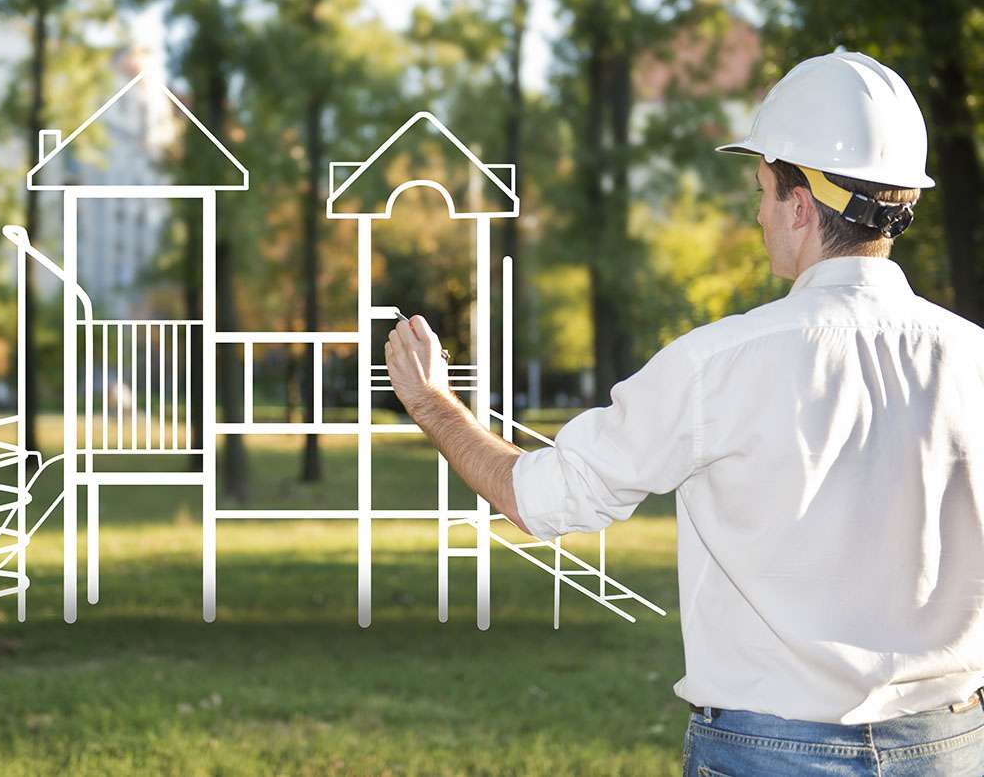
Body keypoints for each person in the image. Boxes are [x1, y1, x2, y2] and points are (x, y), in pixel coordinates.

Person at [383, 50, 984, 775]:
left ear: (799, 205)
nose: (757, 212)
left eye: (762, 191)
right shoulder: (972, 357)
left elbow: (538, 499)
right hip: (949, 749)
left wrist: (430, 401)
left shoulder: (719, 364)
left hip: (768, 753)